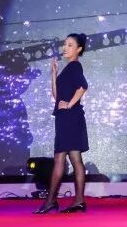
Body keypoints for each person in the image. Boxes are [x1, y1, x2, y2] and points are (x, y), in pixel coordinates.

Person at [34, 33, 89, 214]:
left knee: (63, 159)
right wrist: (54, 74)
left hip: (70, 118)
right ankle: (76, 201)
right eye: (65, 44)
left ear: (78, 49)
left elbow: (83, 87)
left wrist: (70, 104)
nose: (65, 47)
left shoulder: (75, 66)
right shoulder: (68, 68)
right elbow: (57, 96)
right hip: (66, 118)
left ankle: (52, 201)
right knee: (73, 159)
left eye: (70, 45)